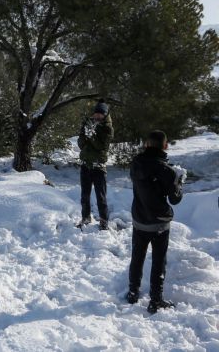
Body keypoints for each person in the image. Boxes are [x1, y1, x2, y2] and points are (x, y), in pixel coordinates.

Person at [126, 130, 183, 314]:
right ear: (165, 146)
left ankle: (133, 292)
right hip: (159, 222)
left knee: (137, 256)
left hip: (139, 219)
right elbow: (175, 199)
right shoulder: (167, 171)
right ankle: (155, 300)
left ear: (146, 144)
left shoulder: (136, 163)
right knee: (159, 261)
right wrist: (178, 181)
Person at [77, 99, 114, 230]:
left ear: (105, 115)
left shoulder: (108, 129)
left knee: (101, 196)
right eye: (96, 113)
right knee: (84, 195)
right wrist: (85, 135)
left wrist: (91, 135)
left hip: (99, 167)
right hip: (85, 164)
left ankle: (104, 221)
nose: (97, 116)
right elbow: (81, 144)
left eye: (101, 114)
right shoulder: (87, 123)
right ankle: (85, 218)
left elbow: (100, 146)